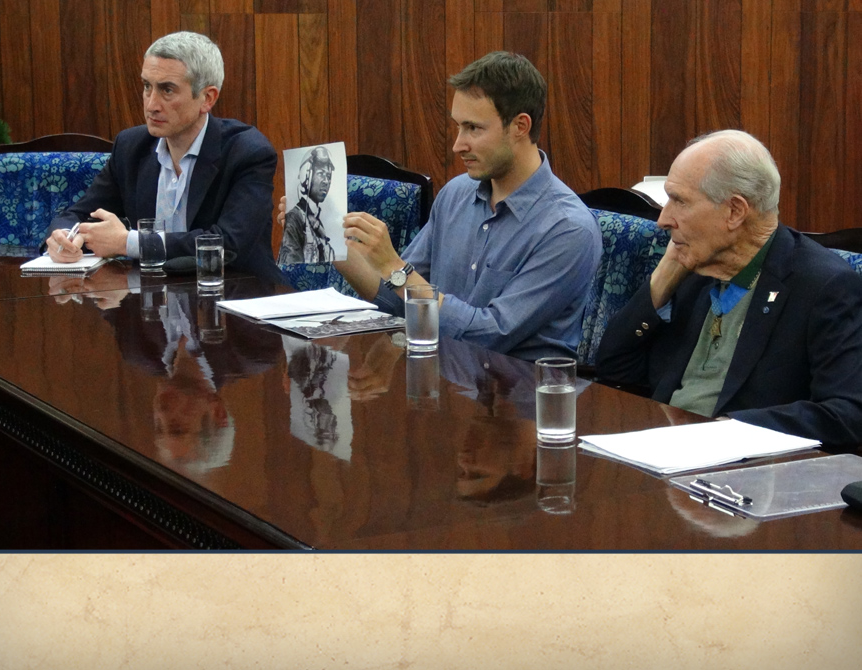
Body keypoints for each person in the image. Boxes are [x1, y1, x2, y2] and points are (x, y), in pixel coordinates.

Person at [279, 51, 601, 361]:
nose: (458, 144)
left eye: (473, 128)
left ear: (520, 126)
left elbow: (489, 334)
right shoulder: (456, 194)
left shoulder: (567, 228)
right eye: (458, 126)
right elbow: (396, 298)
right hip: (441, 381)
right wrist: (328, 238)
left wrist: (395, 267)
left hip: (515, 399)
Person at [595, 129, 862, 446]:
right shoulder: (699, 266)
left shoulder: (823, 286)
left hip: (743, 476)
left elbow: (845, 415)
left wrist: (730, 431)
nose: (663, 220)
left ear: (735, 211)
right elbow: (614, 370)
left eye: (679, 202)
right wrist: (663, 277)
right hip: (661, 449)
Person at [45, 31, 278, 277]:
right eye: (147, 86)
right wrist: (62, 238)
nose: (151, 104)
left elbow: (228, 245)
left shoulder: (248, 152)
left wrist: (129, 243)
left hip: (235, 297)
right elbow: (79, 214)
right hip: (152, 300)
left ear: (207, 98)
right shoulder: (131, 146)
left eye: (167, 90)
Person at [279, 146, 336, 264]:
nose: (326, 181)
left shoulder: (319, 224)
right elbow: (292, 270)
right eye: (321, 174)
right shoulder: (295, 218)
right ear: (306, 176)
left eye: (328, 176)